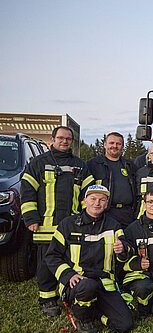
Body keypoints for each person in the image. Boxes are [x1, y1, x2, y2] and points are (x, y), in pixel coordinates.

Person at [21, 126, 94, 316]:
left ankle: (67, 293)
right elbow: (27, 192)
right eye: (61, 138)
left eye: (68, 139)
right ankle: (47, 299)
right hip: (46, 226)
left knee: (71, 261)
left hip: (73, 226)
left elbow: (89, 194)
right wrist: (30, 218)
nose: (64, 142)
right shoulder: (38, 163)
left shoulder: (80, 165)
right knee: (46, 263)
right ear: (52, 139)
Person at [45, 184, 133, 333]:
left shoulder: (113, 225)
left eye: (101, 200)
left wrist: (123, 249)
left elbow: (127, 251)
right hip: (79, 281)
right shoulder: (68, 224)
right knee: (88, 287)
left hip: (104, 284)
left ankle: (96, 313)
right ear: (85, 201)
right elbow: (52, 255)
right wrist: (68, 275)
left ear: (106, 204)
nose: (97, 203)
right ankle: (83, 319)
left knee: (124, 325)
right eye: (93, 199)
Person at [87, 131, 137, 227]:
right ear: (105, 145)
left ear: (122, 146)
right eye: (111, 143)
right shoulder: (93, 165)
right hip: (105, 213)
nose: (115, 146)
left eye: (118, 144)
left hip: (127, 215)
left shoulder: (130, 166)